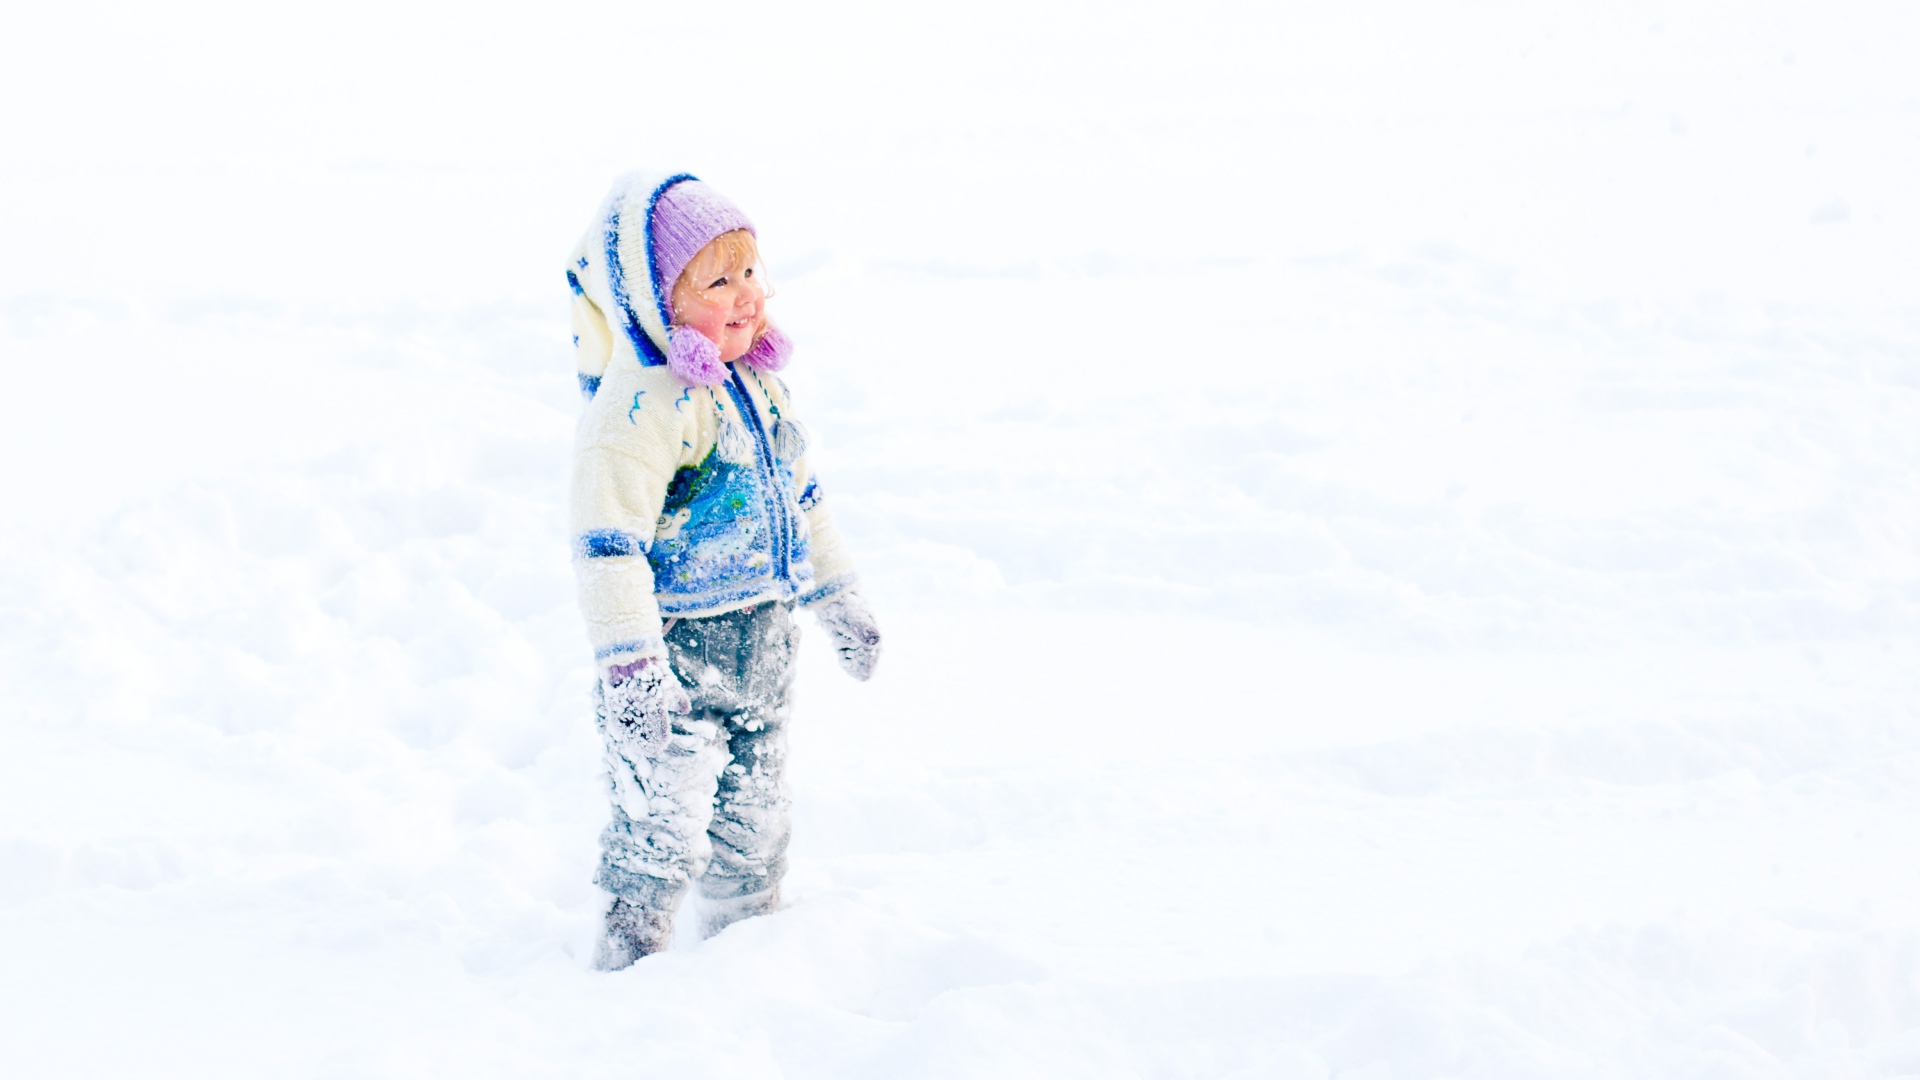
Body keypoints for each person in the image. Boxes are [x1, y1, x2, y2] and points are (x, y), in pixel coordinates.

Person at [564, 171, 882, 970]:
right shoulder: (639, 408)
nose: (745, 294)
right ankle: (627, 963)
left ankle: (746, 957)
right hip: (676, 659)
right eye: (717, 279)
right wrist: (630, 665)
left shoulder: (761, 388)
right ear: (656, 301)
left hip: (764, 646)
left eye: (750, 272)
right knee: (660, 824)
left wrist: (839, 597)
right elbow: (609, 546)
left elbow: (803, 499)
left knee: (757, 817)